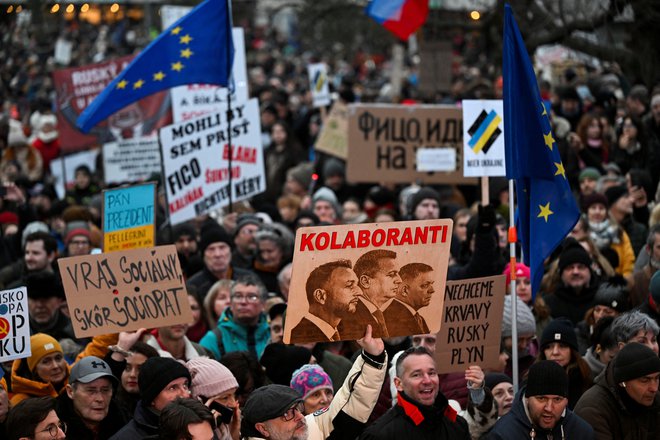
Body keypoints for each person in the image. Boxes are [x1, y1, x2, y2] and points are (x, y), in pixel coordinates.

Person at [241, 325, 387, 440]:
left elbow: (352, 403)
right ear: (263, 429)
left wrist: (373, 357)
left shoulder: (312, 430)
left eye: (297, 408)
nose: (300, 417)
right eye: (287, 414)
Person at [360, 346, 470, 440]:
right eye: (417, 375)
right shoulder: (380, 435)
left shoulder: (458, 425)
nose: (427, 380)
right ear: (398, 384)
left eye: (431, 373)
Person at [486, 360, 594, 439]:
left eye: (557, 399)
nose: (549, 408)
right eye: (542, 398)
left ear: (566, 401)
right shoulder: (503, 435)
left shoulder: (582, 432)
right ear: (527, 398)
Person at [574, 342, 660, 439]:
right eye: (645, 380)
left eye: (657, 378)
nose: (654, 388)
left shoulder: (655, 400)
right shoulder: (593, 409)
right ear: (622, 382)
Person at [110, 357, 192, 440]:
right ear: (152, 398)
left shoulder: (196, 426)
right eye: (172, 388)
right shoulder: (126, 437)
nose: (185, 394)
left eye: (185, 385)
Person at [199, 274, 271, 360]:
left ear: (263, 304)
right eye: (238, 296)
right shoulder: (213, 339)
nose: (243, 302)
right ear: (231, 304)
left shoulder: (273, 335)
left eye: (252, 296)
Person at [290, 259, 362, 342]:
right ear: (320, 296)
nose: (360, 292)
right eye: (349, 285)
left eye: (356, 285)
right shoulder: (301, 338)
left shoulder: (343, 332)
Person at [57, 356, 124, 439]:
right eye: (91, 391)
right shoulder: (54, 431)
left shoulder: (125, 424)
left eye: (105, 390)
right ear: (70, 392)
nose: (100, 399)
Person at [537, 318, 593, 409]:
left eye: (562, 346)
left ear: (572, 351)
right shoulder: (532, 379)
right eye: (549, 347)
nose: (555, 352)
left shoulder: (585, 380)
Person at [187, 224, 254, 299]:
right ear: (203, 255)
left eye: (222, 247)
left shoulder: (248, 278)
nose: (217, 254)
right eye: (211, 249)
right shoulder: (194, 286)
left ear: (230, 251)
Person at [353, 249, 403, 338]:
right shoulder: (350, 316)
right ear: (365, 281)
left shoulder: (378, 314)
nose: (399, 280)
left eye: (398, 274)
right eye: (391, 274)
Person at [187, 357, 240, 440]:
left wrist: (234, 431)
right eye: (225, 398)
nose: (233, 403)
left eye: (234, 395)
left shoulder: (224, 428)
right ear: (201, 400)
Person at [384, 263, 434, 335]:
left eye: (432, 284)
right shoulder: (392, 320)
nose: (432, 290)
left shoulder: (419, 319)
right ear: (405, 290)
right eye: (425, 285)